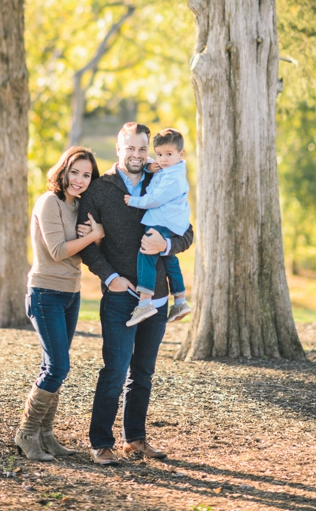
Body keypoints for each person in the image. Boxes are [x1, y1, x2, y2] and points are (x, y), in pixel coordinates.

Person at [76, 122, 193, 466]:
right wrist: (109, 276)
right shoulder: (98, 190)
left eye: (143, 149)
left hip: (157, 299)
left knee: (142, 373)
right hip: (119, 296)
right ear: (118, 149)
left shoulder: (163, 177)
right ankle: (100, 443)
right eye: (131, 148)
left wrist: (167, 244)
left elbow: (187, 232)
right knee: (115, 370)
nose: (138, 155)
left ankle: (135, 439)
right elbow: (87, 245)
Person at [15, 147, 104, 462]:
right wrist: (95, 236)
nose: (79, 179)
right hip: (45, 293)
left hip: (71, 292)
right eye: (75, 172)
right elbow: (57, 250)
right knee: (58, 367)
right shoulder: (48, 202)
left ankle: (46, 434)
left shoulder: (79, 206)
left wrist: (96, 235)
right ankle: (26, 433)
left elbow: (86, 247)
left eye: (87, 175)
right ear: (63, 170)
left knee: (53, 367)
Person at [124, 128, 192, 326]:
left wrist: (133, 201)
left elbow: (154, 199)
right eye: (159, 154)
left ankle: (144, 303)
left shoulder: (173, 178)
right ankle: (180, 300)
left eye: (168, 155)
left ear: (181, 154)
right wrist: (149, 168)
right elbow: (155, 170)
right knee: (169, 258)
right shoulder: (169, 169)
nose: (162, 159)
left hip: (162, 221)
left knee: (146, 253)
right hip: (170, 221)